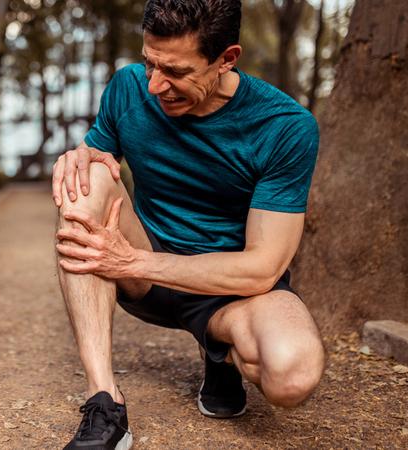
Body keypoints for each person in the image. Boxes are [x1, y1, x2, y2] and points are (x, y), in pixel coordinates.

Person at [53, 1, 325, 449]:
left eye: (176, 71)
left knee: (292, 373)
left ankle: (220, 356)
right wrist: (74, 160)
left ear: (227, 59)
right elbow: (91, 165)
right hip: (141, 271)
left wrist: (135, 261)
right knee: (88, 178)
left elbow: (262, 269)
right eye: (149, 63)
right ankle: (104, 401)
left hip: (230, 290)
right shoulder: (127, 87)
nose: (157, 85)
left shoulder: (285, 127)